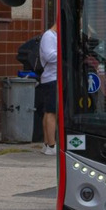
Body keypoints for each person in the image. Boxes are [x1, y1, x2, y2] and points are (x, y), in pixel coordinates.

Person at [38, 19, 59, 155]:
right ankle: (51, 145)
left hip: (53, 78)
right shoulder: (49, 36)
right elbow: (50, 56)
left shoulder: (54, 36)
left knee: (49, 111)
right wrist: (65, 53)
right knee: (52, 112)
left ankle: (47, 144)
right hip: (51, 78)